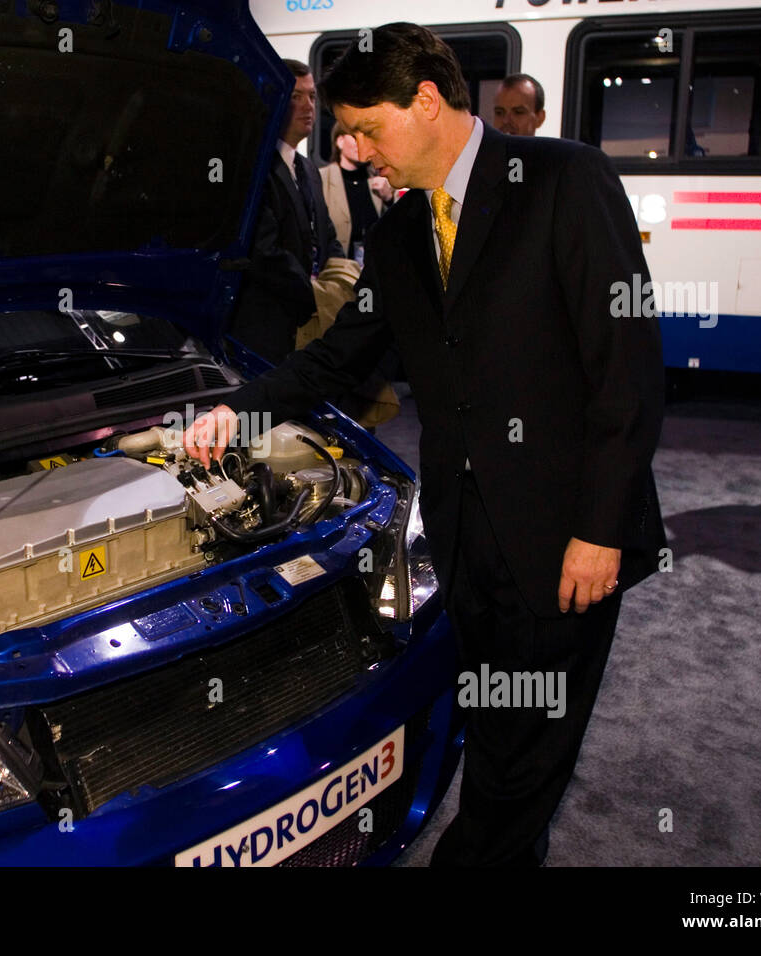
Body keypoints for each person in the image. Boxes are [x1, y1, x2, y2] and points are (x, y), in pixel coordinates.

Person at [183, 23, 665, 866]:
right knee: (490, 718)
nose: (354, 149)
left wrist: (602, 529)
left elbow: (625, 372)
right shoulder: (405, 231)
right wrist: (239, 413)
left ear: (429, 101)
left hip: (566, 537)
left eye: (368, 127)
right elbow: (343, 357)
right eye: (346, 131)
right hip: (457, 530)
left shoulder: (563, 179)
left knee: (527, 755)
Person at [227, 59, 345, 364]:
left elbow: (327, 236)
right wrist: (317, 296)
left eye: (312, 96)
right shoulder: (253, 167)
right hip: (266, 329)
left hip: (308, 326)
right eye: (296, 97)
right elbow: (263, 251)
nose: (308, 106)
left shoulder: (308, 168)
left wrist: (339, 281)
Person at [321, 121, 394, 262]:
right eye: (355, 137)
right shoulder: (322, 179)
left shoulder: (380, 178)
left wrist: (389, 199)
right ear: (340, 141)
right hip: (338, 270)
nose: (362, 143)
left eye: (366, 137)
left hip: (373, 270)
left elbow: (397, 227)